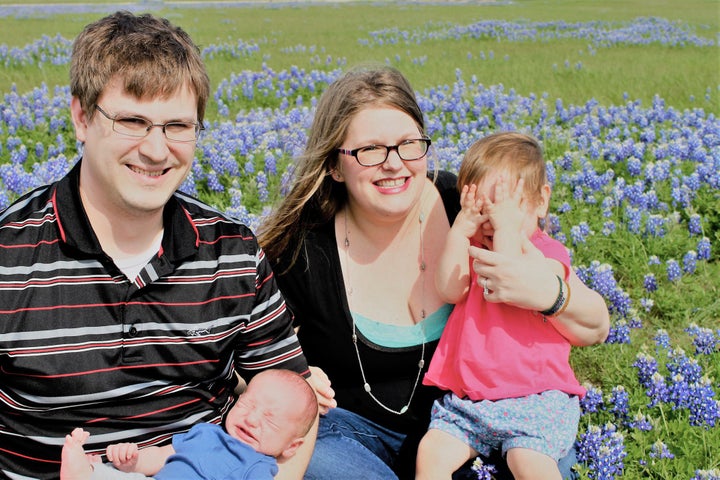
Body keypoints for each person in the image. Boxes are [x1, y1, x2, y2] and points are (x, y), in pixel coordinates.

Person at [258, 65, 610, 480]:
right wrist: (291, 379)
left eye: (408, 144)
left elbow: (597, 326)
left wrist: (551, 294)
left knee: (532, 461)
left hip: (485, 424)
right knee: (300, 460)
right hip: (354, 435)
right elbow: (245, 360)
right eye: (370, 150)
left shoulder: (470, 206)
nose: (394, 164)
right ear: (335, 165)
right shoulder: (301, 249)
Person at [0, 11, 310, 480]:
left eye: (178, 126)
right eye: (133, 120)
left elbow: (296, 411)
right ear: (81, 118)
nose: (157, 150)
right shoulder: (9, 254)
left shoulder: (232, 250)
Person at [416, 132, 593, 480]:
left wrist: (509, 231)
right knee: (431, 453)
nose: (491, 223)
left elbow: (514, 276)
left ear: (541, 202)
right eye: (481, 211)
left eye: (505, 210)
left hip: (535, 400)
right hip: (470, 401)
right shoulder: (473, 250)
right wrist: (458, 232)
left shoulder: (545, 254)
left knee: (530, 466)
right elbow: (449, 289)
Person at [60, 369, 319, 480]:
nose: (252, 419)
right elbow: (162, 456)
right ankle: (87, 473)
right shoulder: (206, 433)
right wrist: (132, 461)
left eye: (270, 420)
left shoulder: (257, 467)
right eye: (247, 405)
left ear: (291, 447)